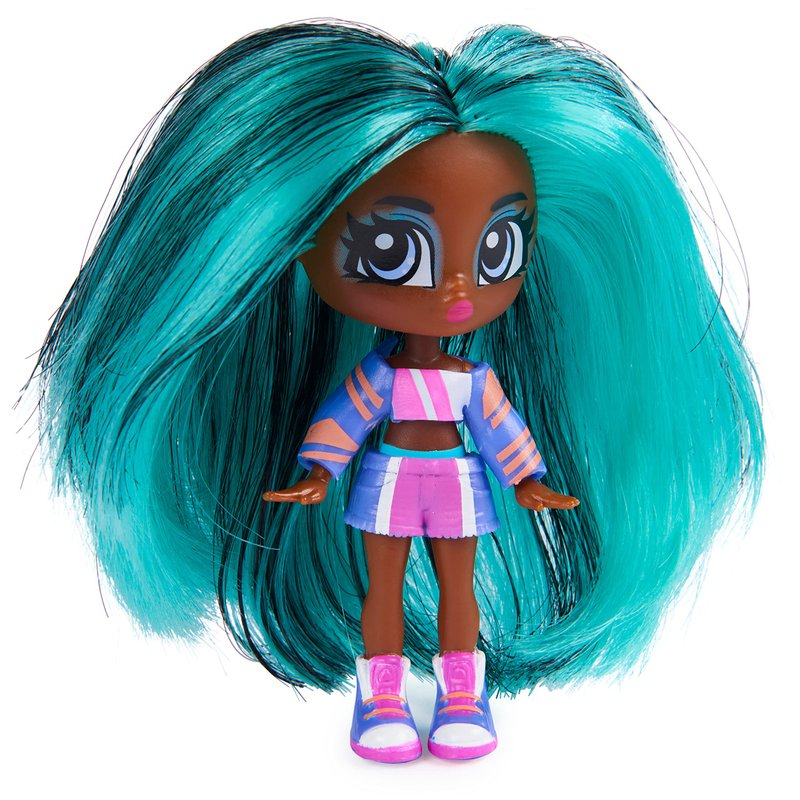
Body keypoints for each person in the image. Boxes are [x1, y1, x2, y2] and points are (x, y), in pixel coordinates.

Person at [29, 20, 764, 763]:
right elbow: (345, 421)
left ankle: (461, 693)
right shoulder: (381, 376)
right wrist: (317, 471)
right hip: (386, 481)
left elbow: (503, 430)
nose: (458, 288)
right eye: (394, 249)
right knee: (381, 588)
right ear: (300, 251)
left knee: (457, 590)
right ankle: (379, 696)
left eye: (498, 247)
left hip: (457, 482)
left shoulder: (471, 381)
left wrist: (529, 480)